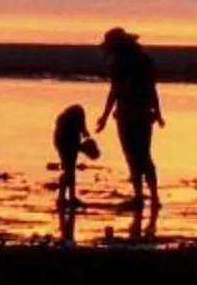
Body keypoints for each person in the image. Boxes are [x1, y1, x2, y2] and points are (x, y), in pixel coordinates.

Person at [94, 27, 164, 218]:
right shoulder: (144, 61)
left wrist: (105, 116)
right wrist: (157, 113)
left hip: (128, 114)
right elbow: (152, 89)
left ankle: (141, 196)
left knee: (134, 156)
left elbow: (114, 92)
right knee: (143, 155)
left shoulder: (121, 64)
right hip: (141, 114)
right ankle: (152, 197)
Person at [51, 102, 102, 211]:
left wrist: (84, 132)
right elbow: (79, 135)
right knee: (69, 171)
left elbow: (82, 133)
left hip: (63, 137)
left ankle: (67, 197)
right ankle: (63, 198)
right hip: (64, 138)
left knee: (70, 171)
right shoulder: (73, 132)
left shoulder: (76, 134)